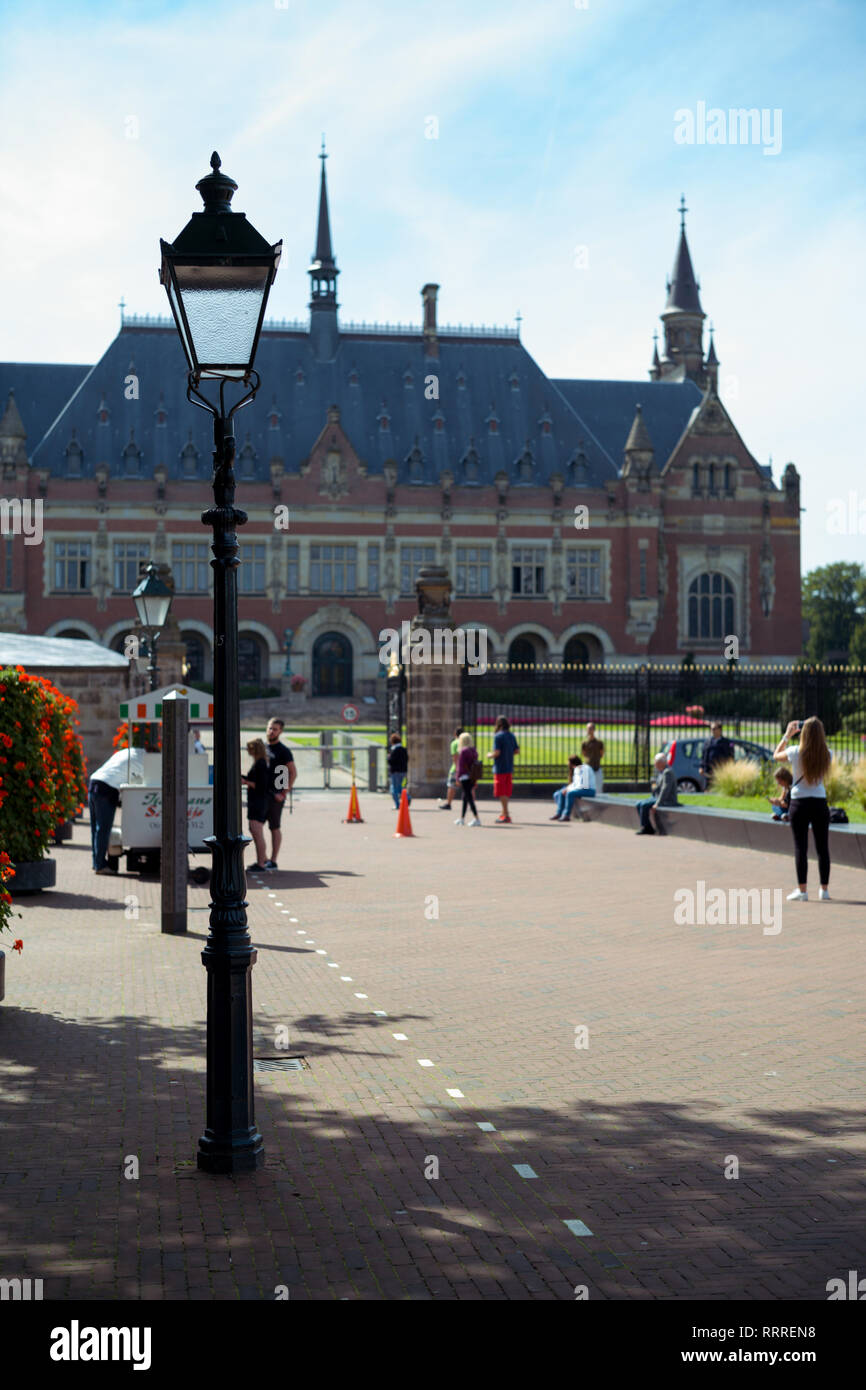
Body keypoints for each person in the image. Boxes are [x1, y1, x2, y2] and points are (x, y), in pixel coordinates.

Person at [774, 717, 832, 901]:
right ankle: (824, 890)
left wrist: (787, 735)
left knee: (801, 847)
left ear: (804, 733)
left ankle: (803, 891)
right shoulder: (828, 754)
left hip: (799, 803)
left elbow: (776, 755)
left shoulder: (795, 752)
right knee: (823, 847)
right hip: (819, 802)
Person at [88, 745, 144, 873]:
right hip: (107, 789)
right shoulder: (143, 761)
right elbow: (141, 783)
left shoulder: (128, 752)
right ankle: (100, 865)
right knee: (103, 829)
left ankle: (96, 862)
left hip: (94, 782)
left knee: (95, 829)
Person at [263, 717, 297, 869]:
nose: (271, 731)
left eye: (275, 729)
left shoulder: (284, 751)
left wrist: (283, 793)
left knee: (274, 827)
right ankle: (262, 859)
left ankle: (273, 860)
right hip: (261, 794)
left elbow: (292, 773)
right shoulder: (263, 748)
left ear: (280, 731)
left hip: (276, 795)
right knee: (255, 825)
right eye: (270, 728)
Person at [241, 738, 270, 870]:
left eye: (249, 748)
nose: (247, 750)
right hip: (257, 801)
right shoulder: (259, 762)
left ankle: (261, 863)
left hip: (258, 802)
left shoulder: (261, 764)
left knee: (257, 831)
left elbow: (261, 785)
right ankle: (262, 859)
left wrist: (246, 782)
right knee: (256, 831)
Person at [635, 752, 679, 834]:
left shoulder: (667, 772)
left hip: (666, 800)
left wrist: (657, 804)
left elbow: (665, 790)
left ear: (661, 763)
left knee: (644, 805)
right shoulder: (660, 771)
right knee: (638, 804)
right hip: (656, 797)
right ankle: (647, 826)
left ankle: (646, 828)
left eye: (656, 763)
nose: (655, 765)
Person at [488, 715, 519, 823]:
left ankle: (506, 815)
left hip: (500, 767)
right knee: (506, 791)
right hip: (509, 766)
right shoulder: (511, 735)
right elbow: (516, 751)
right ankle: (503, 812)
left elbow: (497, 753)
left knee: (501, 792)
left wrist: (489, 755)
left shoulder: (498, 736)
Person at [551, 755, 597, 821]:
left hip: (589, 790)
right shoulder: (577, 769)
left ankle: (566, 815)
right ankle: (559, 813)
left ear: (573, 763)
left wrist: (568, 790)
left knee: (570, 793)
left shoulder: (585, 768)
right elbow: (575, 783)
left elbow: (583, 785)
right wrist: (567, 789)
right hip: (582, 789)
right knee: (561, 792)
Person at [454, 731, 481, 827]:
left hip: (464, 777)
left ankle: (477, 818)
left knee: (469, 798)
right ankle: (462, 818)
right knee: (465, 797)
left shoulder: (464, 751)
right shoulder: (474, 751)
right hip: (472, 776)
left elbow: (460, 766)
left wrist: (457, 778)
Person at [439, 726, 463, 809]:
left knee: (451, 786)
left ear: (455, 734)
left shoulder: (455, 743)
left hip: (456, 768)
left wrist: (457, 769)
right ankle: (471, 804)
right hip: (465, 768)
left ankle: (448, 803)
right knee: (468, 787)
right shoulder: (466, 742)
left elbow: (455, 758)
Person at [581, 722, 605, 794]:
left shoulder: (599, 742)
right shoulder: (584, 742)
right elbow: (584, 753)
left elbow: (601, 753)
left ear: (594, 730)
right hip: (587, 766)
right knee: (585, 786)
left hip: (596, 767)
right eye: (588, 729)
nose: (589, 730)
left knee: (598, 788)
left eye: (591, 728)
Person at [387, 732, 409, 810]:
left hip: (395, 771)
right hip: (403, 771)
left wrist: (388, 757)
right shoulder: (403, 749)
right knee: (400, 787)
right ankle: (407, 797)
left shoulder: (394, 750)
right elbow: (407, 759)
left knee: (394, 789)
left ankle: (397, 804)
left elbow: (391, 761)